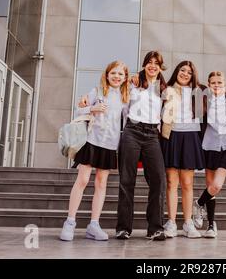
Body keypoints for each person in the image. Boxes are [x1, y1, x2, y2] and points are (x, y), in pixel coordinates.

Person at [60, 60, 130, 241]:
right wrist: (92, 107)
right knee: (82, 180)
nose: (116, 76)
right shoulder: (96, 91)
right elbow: (78, 110)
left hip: (109, 144)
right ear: (107, 75)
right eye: (113, 73)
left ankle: (94, 225)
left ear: (125, 78)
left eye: (121, 74)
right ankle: (70, 223)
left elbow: (130, 118)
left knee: (101, 183)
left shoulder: (125, 98)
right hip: (91, 141)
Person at [115, 51, 168, 241]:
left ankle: (155, 228)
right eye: (149, 62)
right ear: (145, 64)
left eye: (157, 63)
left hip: (153, 134)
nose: (153, 66)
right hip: (132, 130)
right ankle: (123, 228)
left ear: (161, 67)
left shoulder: (164, 88)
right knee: (127, 180)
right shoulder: (133, 83)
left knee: (159, 181)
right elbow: (119, 104)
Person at [160, 61, 205, 239]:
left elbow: (218, 96)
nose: (185, 74)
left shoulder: (200, 91)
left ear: (193, 75)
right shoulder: (166, 89)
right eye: (182, 70)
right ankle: (171, 222)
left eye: (189, 72)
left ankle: (188, 223)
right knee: (171, 182)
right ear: (177, 71)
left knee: (187, 183)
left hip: (191, 136)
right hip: (171, 135)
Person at [192, 71, 226, 238]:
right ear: (209, 85)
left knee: (216, 186)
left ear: (225, 84)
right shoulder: (204, 100)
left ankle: (198, 203)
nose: (217, 85)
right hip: (209, 145)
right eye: (213, 83)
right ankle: (211, 226)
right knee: (211, 185)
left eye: (219, 82)